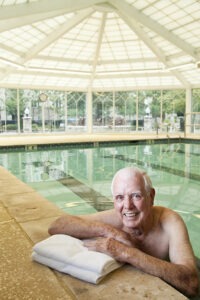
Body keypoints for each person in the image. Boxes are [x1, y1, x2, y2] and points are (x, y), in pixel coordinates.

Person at [48, 167, 199, 297]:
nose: (127, 205)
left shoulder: (169, 222)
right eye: (120, 197)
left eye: (136, 196)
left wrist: (127, 253)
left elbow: (192, 284)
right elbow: (57, 225)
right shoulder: (116, 218)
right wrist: (110, 231)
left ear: (151, 196)